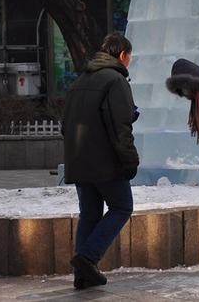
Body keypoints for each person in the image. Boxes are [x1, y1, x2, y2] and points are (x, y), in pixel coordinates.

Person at [61, 33, 139, 290]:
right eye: (129, 57)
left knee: (90, 214)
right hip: (105, 162)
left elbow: (65, 125)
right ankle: (88, 258)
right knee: (122, 207)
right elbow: (121, 127)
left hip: (78, 160)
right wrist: (130, 161)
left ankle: (82, 276)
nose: (128, 62)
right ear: (121, 56)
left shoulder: (79, 81)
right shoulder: (115, 80)